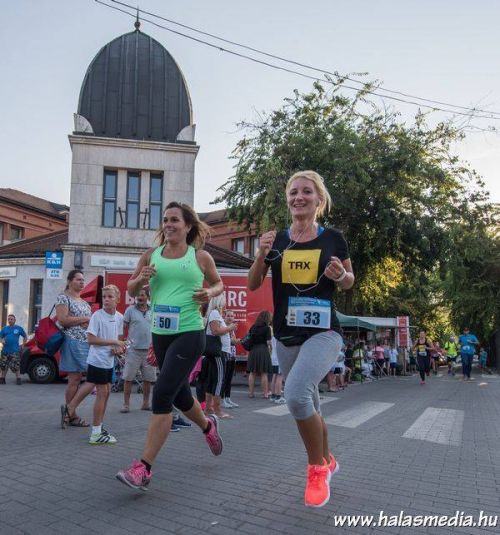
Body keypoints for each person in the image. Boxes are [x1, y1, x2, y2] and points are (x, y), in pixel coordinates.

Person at [248, 170, 355, 508]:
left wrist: (342, 275)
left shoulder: (333, 238)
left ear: (318, 199)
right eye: (293, 192)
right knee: (313, 405)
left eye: (306, 191)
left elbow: (349, 280)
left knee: (295, 396)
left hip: (324, 332)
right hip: (286, 334)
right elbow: (253, 284)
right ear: (287, 199)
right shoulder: (277, 239)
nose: (299, 197)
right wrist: (260, 254)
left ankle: (317, 469)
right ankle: (329, 460)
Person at [116, 201, 224, 491]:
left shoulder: (199, 256)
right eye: (165, 220)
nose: (168, 224)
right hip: (160, 334)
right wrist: (141, 278)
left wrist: (209, 293)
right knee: (180, 395)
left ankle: (143, 468)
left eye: (174, 220)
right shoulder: (151, 255)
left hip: (189, 332)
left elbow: (218, 284)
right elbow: (131, 288)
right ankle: (208, 426)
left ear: (188, 226)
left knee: (163, 393)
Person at [63, 285, 126, 444]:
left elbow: (118, 339)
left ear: (118, 300)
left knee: (107, 392)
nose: (106, 299)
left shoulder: (120, 317)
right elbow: (91, 340)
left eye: (110, 297)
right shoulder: (97, 316)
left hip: (109, 361)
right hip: (97, 360)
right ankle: (96, 433)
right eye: (104, 297)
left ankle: (98, 426)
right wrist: (113, 342)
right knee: (102, 393)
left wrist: (118, 349)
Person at [57, 270, 92, 428]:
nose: (82, 282)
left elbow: (89, 322)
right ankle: (71, 414)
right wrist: (83, 319)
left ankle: (70, 411)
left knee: (82, 379)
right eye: (78, 279)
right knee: (74, 379)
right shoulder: (63, 298)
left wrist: (86, 322)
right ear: (70, 281)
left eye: (83, 280)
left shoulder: (84, 302)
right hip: (72, 341)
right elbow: (63, 320)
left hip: (86, 342)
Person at [121, 289, 156, 413]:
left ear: (147, 297)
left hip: (149, 351)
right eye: (138, 295)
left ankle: (145, 404)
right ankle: (126, 404)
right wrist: (121, 343)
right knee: (128, 378)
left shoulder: (153, 309)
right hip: (133, 350)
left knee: (148, 379)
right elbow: (123, 327)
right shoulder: (130, 310)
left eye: (142, 295)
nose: (139, 297)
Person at [205, 294, 237, 418]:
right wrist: (229, 328)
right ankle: (217, 410)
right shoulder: (214, 313)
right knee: (219, 380)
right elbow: (215, 331)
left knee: (213, 380)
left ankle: (209, 408)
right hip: (219, 351)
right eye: (224, 300)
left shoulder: (215, 313)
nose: (225, 302)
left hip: (220, 351)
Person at [246, 311, 272, 398]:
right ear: (267, 318)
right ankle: (265, 394)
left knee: (252, 372)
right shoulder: (267, 328)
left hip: (253, 350)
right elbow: (268, 342)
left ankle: (251, 393)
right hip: (263, 350)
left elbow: (249, 337)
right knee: (264, 373)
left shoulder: (253, 327)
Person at [0, 314, 27, 385]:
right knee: (4, 365)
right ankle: (2, 379)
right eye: (9, 319)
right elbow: (0, 337)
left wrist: (23, 345)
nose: (10, 320)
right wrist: (2, 340)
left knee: (16, 366)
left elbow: (25, 336)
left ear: (15, 320)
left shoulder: (19, 328)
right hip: (5, 351)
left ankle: (18, 379)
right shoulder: (4, 329)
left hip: (15, 351)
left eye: (11, 319)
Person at [222, 309, 240, 409]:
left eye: (232, 316)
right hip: (225, 354)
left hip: (232, 355)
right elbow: (229, 341)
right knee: (224, 378)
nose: (230, 318)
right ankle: (222, 399)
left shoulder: (232, 328)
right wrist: (236, 341)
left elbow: (233, 341)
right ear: (224, 317)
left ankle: (228, 398)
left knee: (229, 378)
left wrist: (237, 341)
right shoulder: (224, 327)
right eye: (228, 316)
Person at [269, 336, 286, 403]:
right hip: (279, 358)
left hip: (273, 357)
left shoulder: (273, 337)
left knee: (274, 376)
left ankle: (273, 395)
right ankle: (278, 396)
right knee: (279, 376)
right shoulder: (280, 336)